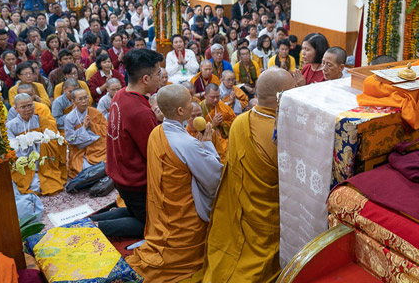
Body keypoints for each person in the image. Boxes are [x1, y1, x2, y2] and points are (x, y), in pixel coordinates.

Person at [203, 68, 296, 282]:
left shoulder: (240, 122)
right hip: (269, 221)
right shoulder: (284, 131)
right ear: (282, 97)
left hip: (242, 211)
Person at [126, 85, 222, 282]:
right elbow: (214, 179)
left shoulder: (156, 133)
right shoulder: (188, 144)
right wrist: (208, 144)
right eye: (189, 102)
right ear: (181, 111)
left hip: (162, 215)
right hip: (185, 226)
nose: (192, 103)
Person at [99, 48, 163, 238]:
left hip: (118, 171)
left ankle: (92, 222)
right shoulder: (141, 112)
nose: (161, 78)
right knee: (151, 225)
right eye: (158, 74)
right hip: (134, 180)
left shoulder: (121, 94)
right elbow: (152, 152)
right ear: (145, 79)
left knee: (137, 211)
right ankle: (93, 230)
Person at [8, 93, 65, 196]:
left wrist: (40, 144)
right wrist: (25, 145)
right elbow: (10, 149)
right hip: (24, 163)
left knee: (50, 183)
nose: (28, 109)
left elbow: (53, 141)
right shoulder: (11, 126)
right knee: (34, 186)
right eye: (23, 107)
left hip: (43, 161)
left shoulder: (41, 120)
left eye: (30, 105)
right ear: (16, 109)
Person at [64, 88, 107, 178]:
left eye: (86, 98)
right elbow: (69, 139)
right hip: (80, 150)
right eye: (80, 99)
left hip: (97, 146)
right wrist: (83, 128)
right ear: (73, 101)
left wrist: (92, 126)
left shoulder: (95, 112)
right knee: (83, 169)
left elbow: (106, 130)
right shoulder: (69, 118)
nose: (84, 101)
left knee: (111, 158)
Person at [200, 83, 237, 160]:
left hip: (224, 138)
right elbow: (197, 132)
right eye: (212, 97)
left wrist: (223, 124)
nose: (216, 100)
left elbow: (234, 123)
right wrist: (213, 124)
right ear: (205, 95)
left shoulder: (223, 107)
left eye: (218, 96)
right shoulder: (200, 109)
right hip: (208, 142)